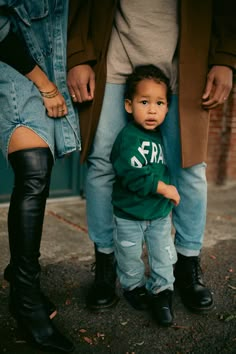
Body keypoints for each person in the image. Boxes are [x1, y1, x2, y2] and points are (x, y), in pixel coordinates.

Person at [67, 0, 236, 313]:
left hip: (185, 61)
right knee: (102, 164)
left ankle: (186, 266)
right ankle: (105, 266)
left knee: (189, 167)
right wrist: (77, 54)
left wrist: (226, 56)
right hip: (115, 58)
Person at [0, 0, 83, 352]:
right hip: (15, 66)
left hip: (51, 70)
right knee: (33, 172)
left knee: (40, 173)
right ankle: (26, 298)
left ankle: (20, 280)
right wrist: (46, 86)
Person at [111, 64, 180, 326]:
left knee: (162, 253)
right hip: (128, 214)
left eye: (160, 103)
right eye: (144, 101)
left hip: (159, 214)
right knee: (129, 256)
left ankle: (163, 292)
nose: (152, 109)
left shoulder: (162, 137)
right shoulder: (128, 137)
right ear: (129, 105)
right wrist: (163, 188)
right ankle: (134, 287)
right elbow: (129, 173)